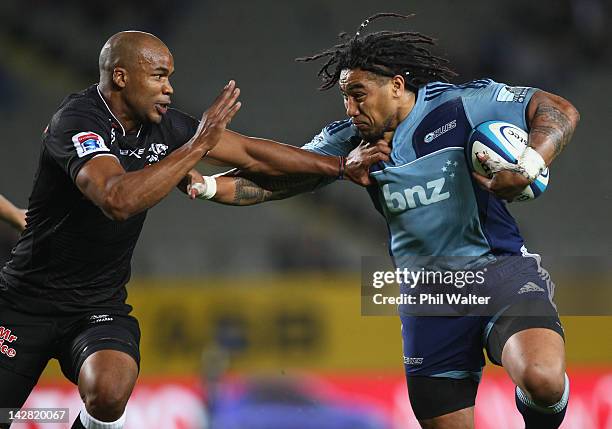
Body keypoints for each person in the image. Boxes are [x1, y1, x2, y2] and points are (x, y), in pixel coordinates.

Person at [193, 13, 580, 429]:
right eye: (344, 97)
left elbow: (557, 109)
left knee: (542, 379)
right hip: (428, 299)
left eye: (358, 94)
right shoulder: (350, 142)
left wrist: (530, 162)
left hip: (499, 272)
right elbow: (275, 178)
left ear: (397, 85)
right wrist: (210, 187)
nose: (350, 108)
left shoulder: (461, 105)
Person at [0, 31, 387, 429]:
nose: (169, 89)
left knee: (110, 391)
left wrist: (339, 167)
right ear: (120, 77)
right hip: (24, 302)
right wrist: (196, 146)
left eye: (169, 77)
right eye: (158, 76)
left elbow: (251, 153)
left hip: (97, 306)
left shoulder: (163, 126)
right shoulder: (77, 121)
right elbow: (117, 200)